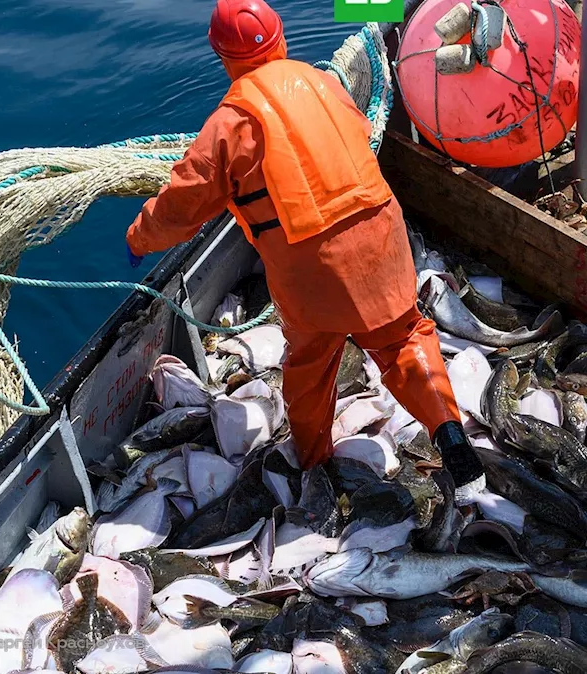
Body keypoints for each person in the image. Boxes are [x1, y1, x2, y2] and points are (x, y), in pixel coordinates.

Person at [124, 0, 487, 502]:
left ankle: (316, 464)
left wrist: (139, 238)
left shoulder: (228, 123)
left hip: (313, 269)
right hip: (383, 238)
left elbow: (182, 206)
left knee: (311, 368)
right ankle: (447, 430)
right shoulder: (327, 84)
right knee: (404, 340)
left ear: (223, 59)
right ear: (281, 39)